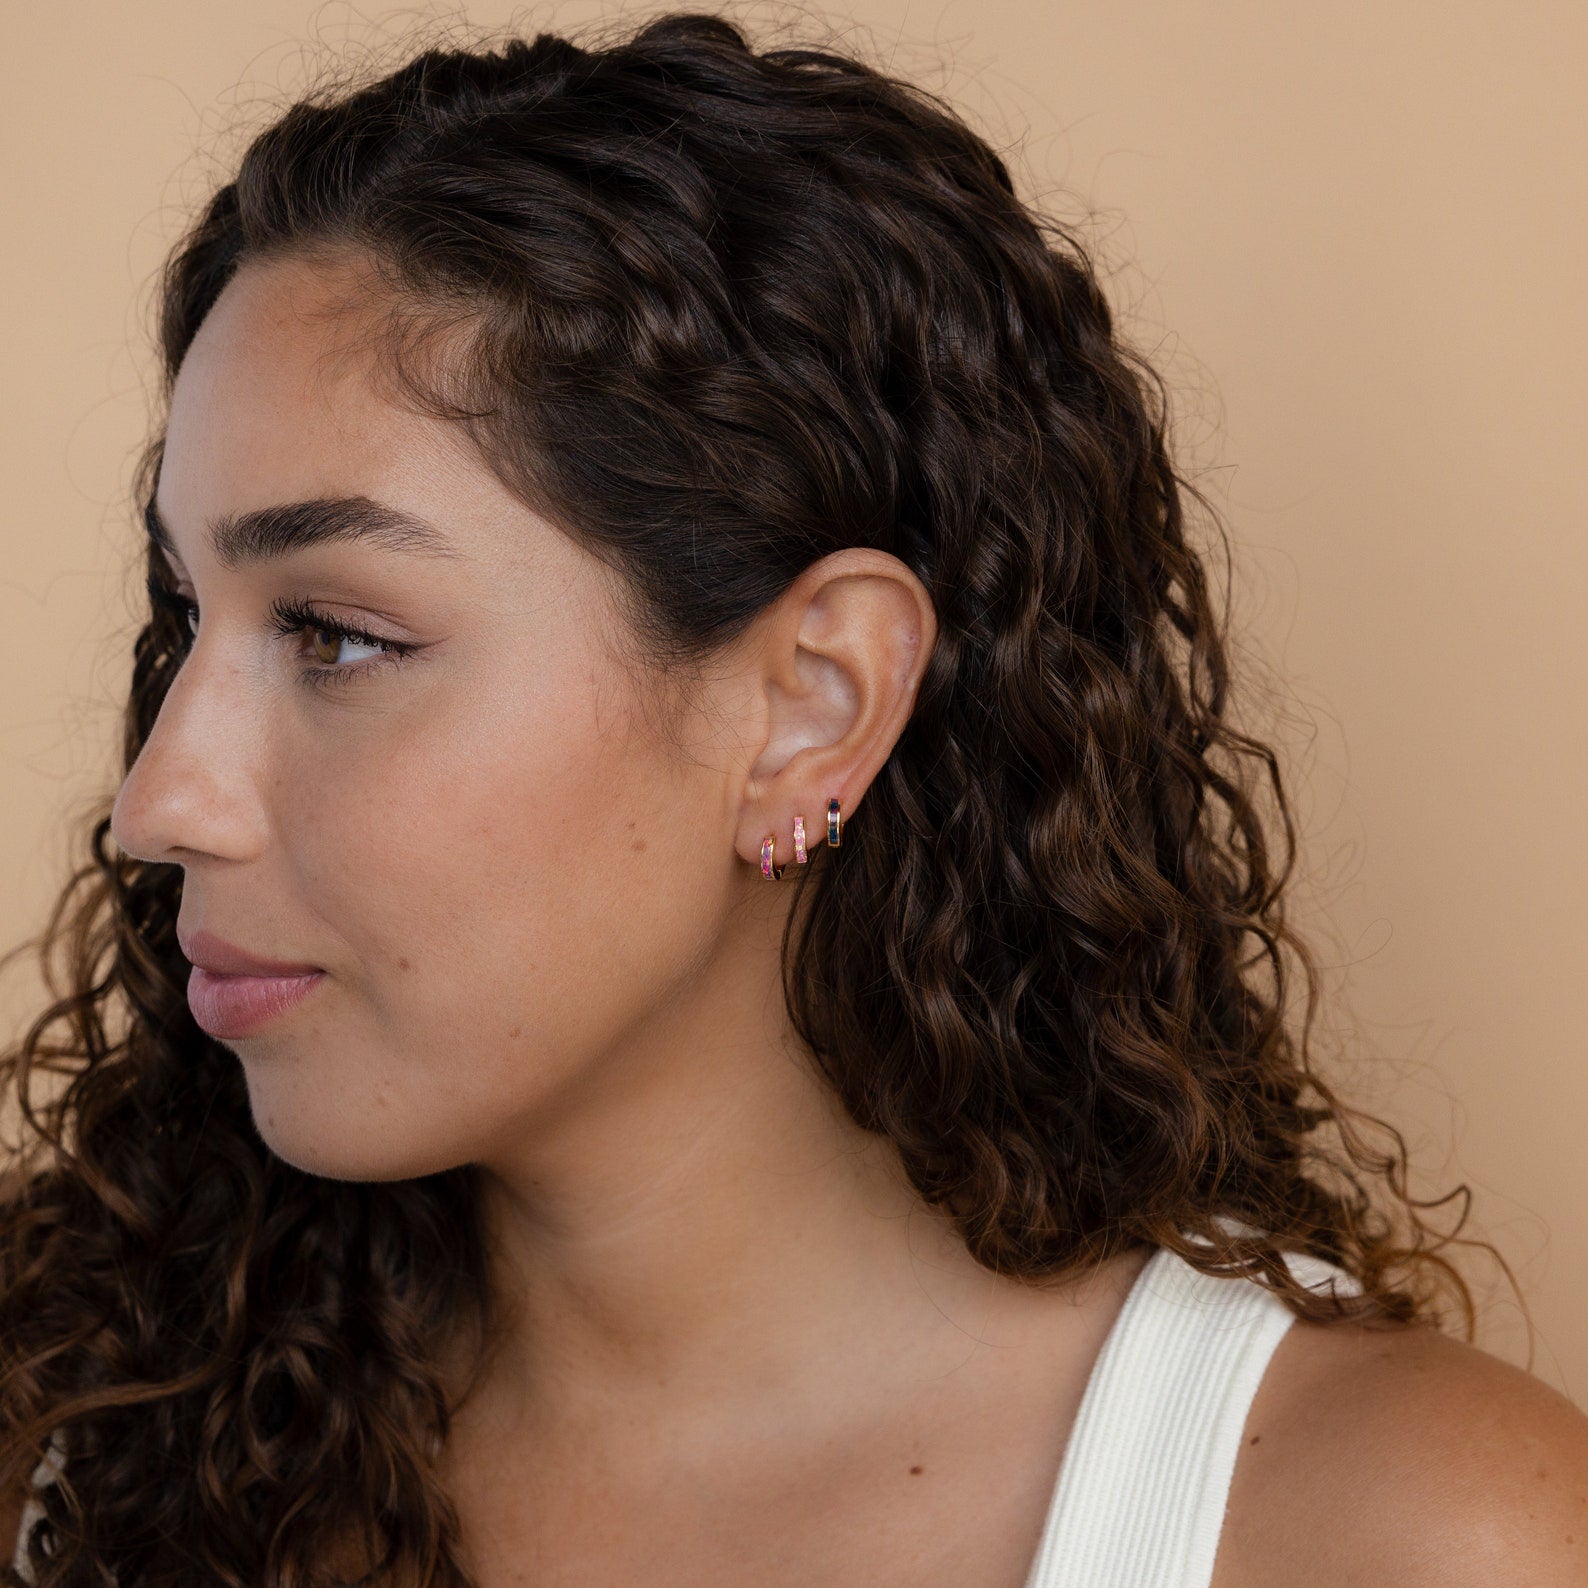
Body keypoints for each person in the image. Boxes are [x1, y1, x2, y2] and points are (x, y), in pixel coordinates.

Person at [2, 12, 1585, 1585]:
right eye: (180, 617)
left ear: (809, 705)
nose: (161, 801)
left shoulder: (1403, 1537)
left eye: (338, 635)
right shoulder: (70, 1430)